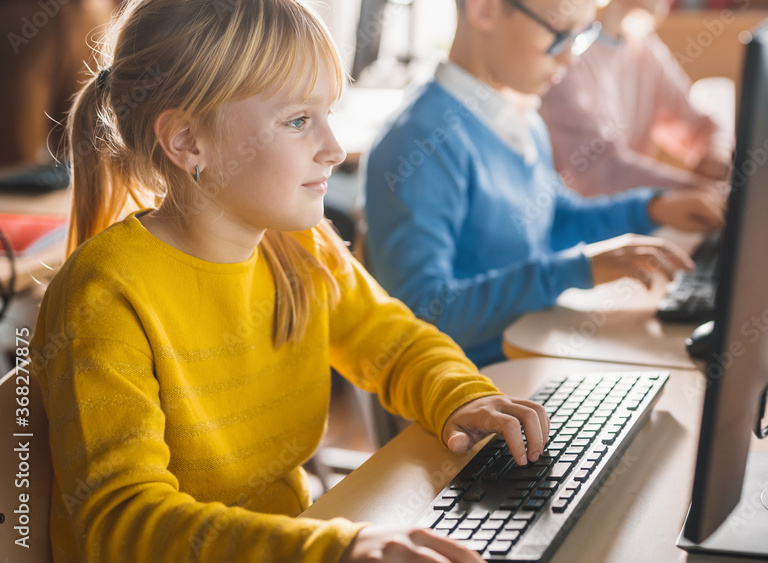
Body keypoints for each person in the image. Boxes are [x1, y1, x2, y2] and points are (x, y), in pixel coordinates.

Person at [28, 1, 548, 561]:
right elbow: (122, 523)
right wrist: (335, 548)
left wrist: (461, 396)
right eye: (299, 120)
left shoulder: (298, 244)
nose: (333, 147)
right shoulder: (106, 296)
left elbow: (395, 343)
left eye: (327, 113)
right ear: (186, 142)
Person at [364, 0, 727, 367]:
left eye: (581, 36)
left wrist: (650, 208)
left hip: (533, 356)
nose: (569, 58)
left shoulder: (521, 115)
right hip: (474, 395)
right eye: (558, 35)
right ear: (484, 10)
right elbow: (423, 316)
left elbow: (552, 217)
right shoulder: (420, 144)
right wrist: (573, 271)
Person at [537, 0, 733, 196]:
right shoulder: (565, 57)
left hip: (632, 220)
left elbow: (698, 125)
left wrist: (717, 154)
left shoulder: (641, 42)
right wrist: (701, 193)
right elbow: (599, 173)